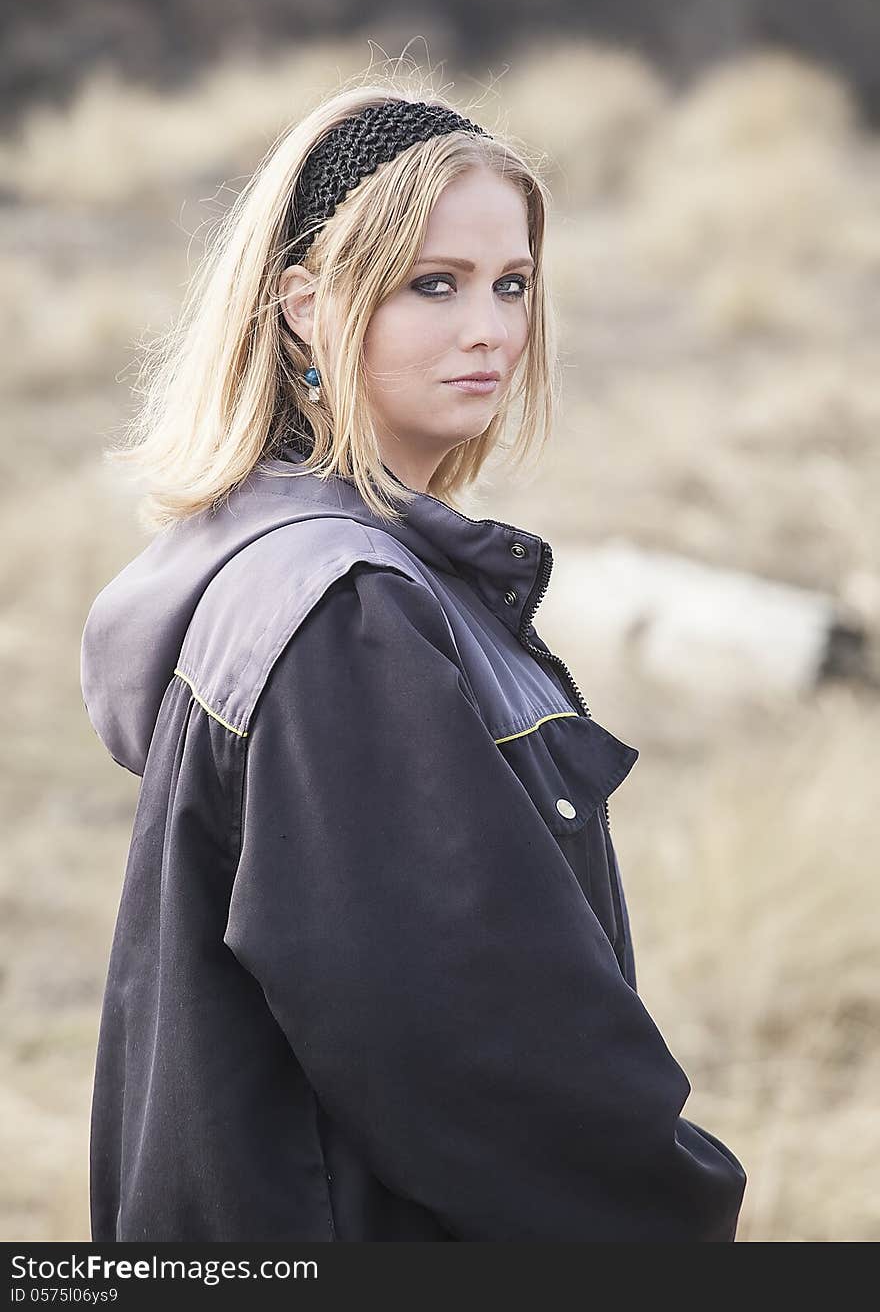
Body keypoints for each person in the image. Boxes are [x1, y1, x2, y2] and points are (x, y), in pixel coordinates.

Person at [80, 82, 747, 1242]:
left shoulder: (290, 557)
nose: (488, 327)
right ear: (306, 306)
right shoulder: (345, 611)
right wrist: (676, 1200)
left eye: (512, 283)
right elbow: (461, 1042)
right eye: (431, 286)